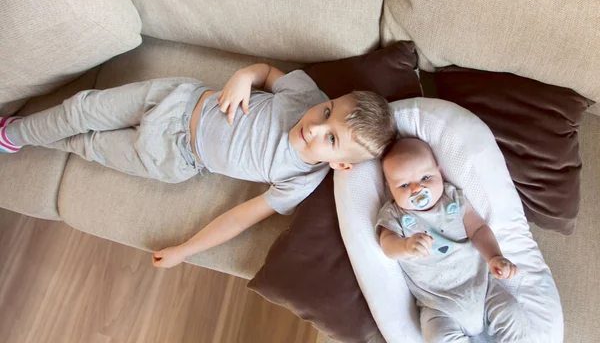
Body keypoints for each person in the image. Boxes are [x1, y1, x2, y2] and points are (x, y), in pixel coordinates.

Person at [0, 64, 396, 267]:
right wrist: (244, 76)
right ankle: (12, 134)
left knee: (87, 145)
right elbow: (267, 72)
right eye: (327, 112)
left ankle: (26, 138)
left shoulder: (300, 180)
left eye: (330, 139)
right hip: (177, 100)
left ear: (341, 166)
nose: (314, 126)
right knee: (82, 108)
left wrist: (185, 250)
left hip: (174, 157)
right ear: (330, 99)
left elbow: (241, 217)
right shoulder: (305, 94)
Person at [376, 138, 528, 342]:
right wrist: (405, 246)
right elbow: (387, 245)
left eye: (426, 177)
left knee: (513, 314)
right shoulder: (394, 214)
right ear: (390, 188)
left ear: (439, 172)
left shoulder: (452, 198)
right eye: (403, 185)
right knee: (438, 337)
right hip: (437, 303)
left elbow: (478, 229)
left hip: (482, 287)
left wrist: (494, 256)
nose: (416, 190)